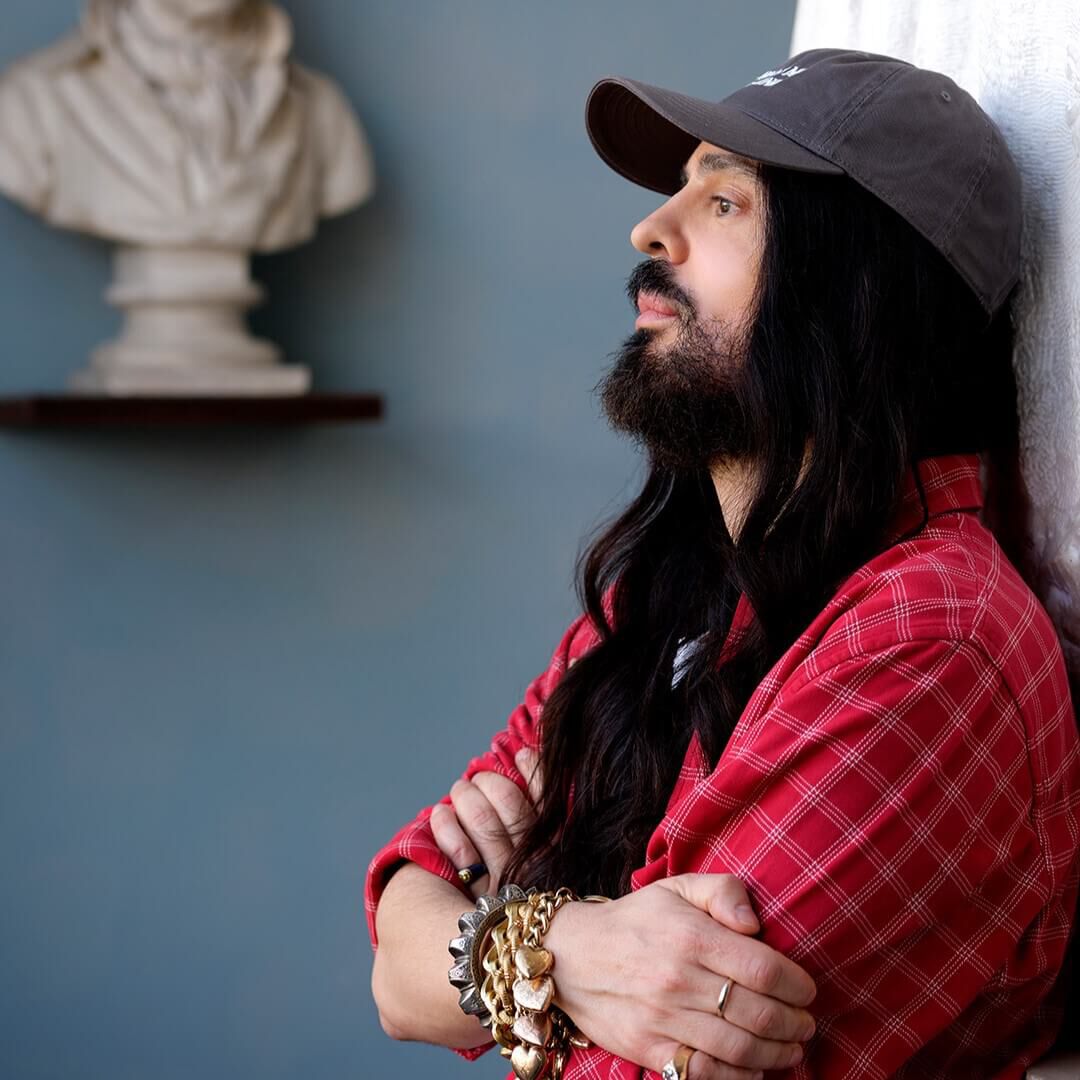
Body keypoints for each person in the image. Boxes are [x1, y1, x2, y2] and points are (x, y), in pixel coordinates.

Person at [366, 48, 1080, 1079]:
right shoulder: (674, 590)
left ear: (856, 284)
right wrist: (564, 949)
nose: (651, 229)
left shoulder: (928, 648)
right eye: (680, 187)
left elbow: (638, 1067)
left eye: (727, 201)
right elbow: (398, 952)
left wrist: (506, 928)